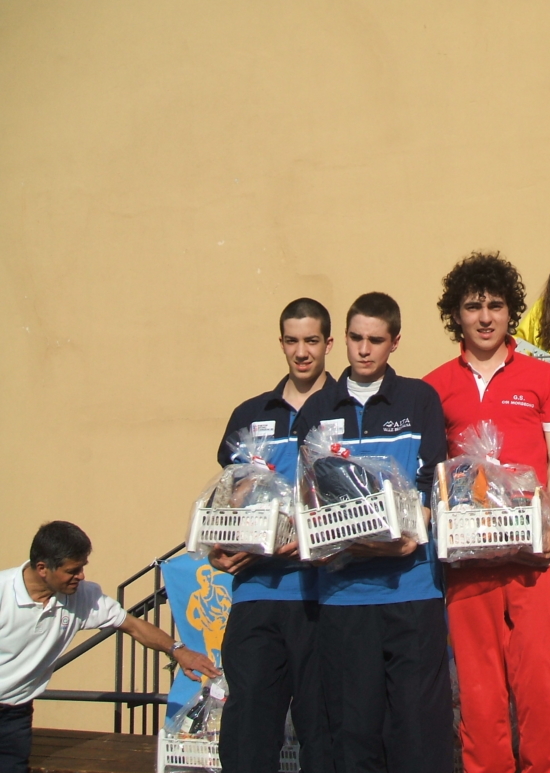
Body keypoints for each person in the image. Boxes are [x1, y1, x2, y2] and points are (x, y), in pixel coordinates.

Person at [294, 291, 453, 773]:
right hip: (343, 596)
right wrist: (322, 540)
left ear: (395, 342)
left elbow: (435, 483)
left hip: (413, 589)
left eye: (376, 340)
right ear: (344, 338)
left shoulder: (419, 399)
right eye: (356, 338)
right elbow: (307, 494)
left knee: (418, 733)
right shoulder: (317, 407)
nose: (364, 350)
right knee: (353, 734)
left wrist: (411, 530)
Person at [424, 252, 550, 773]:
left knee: (544, 691)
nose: (485, 318)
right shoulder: (434, 386)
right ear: (456, 316)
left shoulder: (542, 377)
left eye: (495, 306)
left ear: (511, 312)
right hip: (469, 566)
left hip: (534, 561)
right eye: (473, 307)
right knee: (480, 696)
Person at [209, 297, 335, 773]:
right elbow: (228, 495)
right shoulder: (250, 413)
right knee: (248, 727)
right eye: (291, 341)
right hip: (257, 593)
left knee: (323, 729)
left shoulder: (347, 409)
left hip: (324, 595)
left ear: (328, 344)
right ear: (281, 343)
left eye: (311, 341)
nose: (301, 352)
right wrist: (218, 546)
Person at [0, 521, 219, 773]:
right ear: (42, 568)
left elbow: (133, 625)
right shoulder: (3, 592)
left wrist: (179, 651)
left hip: (16, 712)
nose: (81, 576)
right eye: (72, 570)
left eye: (82, 567)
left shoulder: (82, 596)